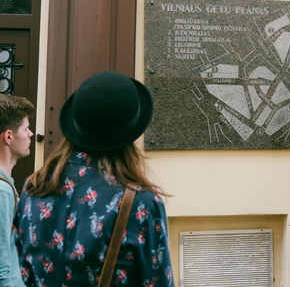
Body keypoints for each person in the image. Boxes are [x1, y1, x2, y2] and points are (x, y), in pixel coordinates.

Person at [14, 71, 174, 287]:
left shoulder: (33, 188)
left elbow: (23, 272)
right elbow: (157, 281)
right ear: (133, 136)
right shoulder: (141, 203)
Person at [0, 94, 34, 287]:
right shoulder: (2, 190)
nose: (30, 134)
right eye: (26, 129)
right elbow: (2, 265)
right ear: (9, 136)